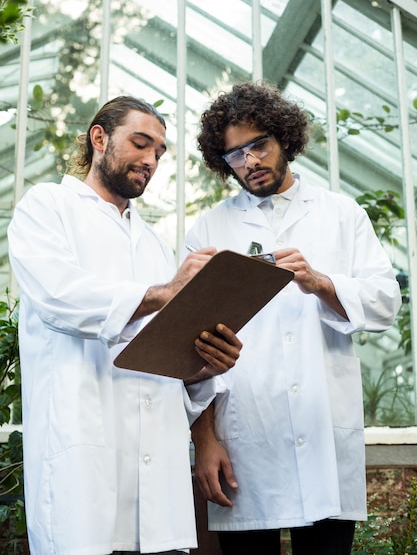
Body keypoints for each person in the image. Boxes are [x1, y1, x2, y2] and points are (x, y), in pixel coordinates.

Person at [7, 95, 243, 555]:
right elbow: (62, 297)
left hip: (156, 478)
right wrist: (165, 293)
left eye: (159, 152)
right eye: (140, 144)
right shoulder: (48, 206)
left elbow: (161, 358)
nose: (151, 160)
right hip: (82, 461)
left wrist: (204, 368)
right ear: (99, 138)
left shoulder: (154, 243)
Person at [186, 81, 402, 555]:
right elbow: (188, 345)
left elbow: (386, 302)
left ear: (284, 137)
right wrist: (204, 441)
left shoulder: (340, 214)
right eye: (234, 155)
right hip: (244, 444)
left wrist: (321, 283)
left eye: (258, 145)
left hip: (322, 434)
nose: (250, 162)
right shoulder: (209, 228)